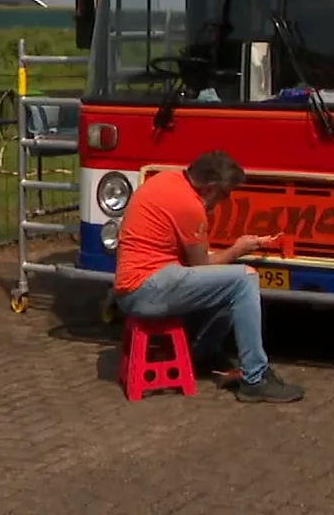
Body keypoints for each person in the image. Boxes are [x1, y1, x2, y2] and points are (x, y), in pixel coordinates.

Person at [112, 149, 305, 403]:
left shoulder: (166, 181)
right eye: (224, 195)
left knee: (229, 285)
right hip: (145, 289)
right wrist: (237, 250)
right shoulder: (190, 206)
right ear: (210, 187)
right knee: (245, 279)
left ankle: (203, 353)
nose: (223, 202)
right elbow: (202, 265)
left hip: (136, 284)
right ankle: (254, 379)